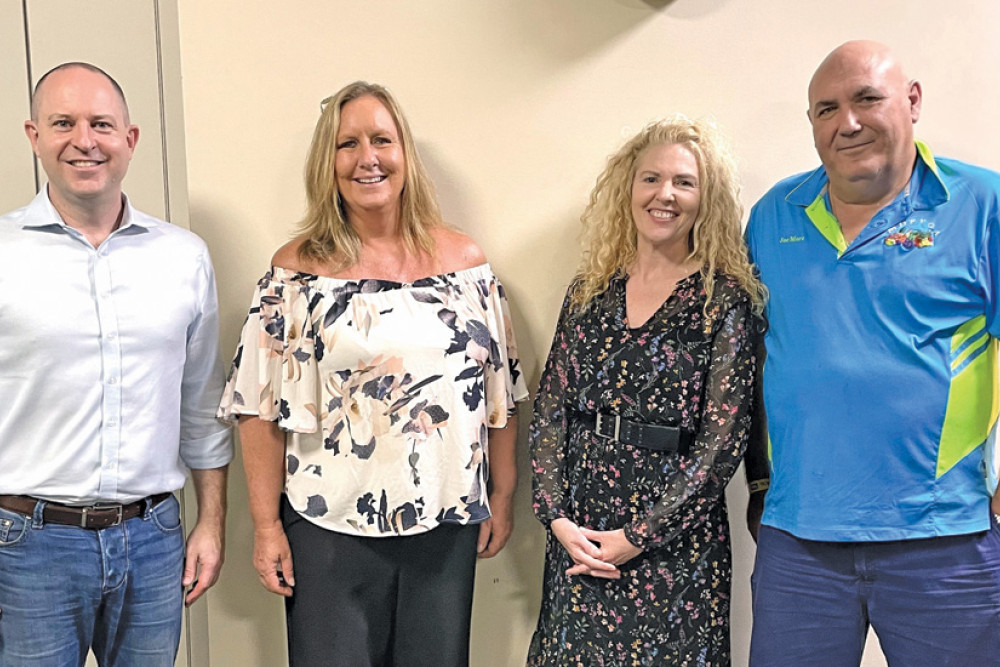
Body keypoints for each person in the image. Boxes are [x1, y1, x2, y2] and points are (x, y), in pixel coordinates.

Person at [218, 80, 527, 667]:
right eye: (347, 144)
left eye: (382, 140)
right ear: (326, 163)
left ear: (404, 153)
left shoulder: (466, 266)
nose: (368, 159)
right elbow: (257, 406)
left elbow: (501, 393)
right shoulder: (296, 271)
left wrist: (503, 494)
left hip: (445, 519)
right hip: (325, 523)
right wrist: (265, 526)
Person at [745, 40, 1000, 666]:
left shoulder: (982, 205)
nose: (848, 122)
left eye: (867, 99)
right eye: (826, 109)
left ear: (912, 102)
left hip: (946, 542)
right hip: (798, 542)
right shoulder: (773, 214)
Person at [0, 62, 232, 666]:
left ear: (129, 140)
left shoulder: (183, 258)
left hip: (153, 540)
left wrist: (211, 522)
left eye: (102, 124)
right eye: (63, 123)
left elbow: (203, 407)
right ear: (33, 136)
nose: (85, 140)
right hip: (28, 546)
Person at [528, 116, 765, 666]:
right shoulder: (590, 292)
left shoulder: (723, 301)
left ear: (707, 200)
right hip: (580, 531)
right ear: (627, 189)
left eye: (685, 182)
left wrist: (639, 534)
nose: (666, 194)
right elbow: (550, 411)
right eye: (651, 178)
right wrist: (556, 518)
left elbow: (723, 441)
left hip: (677, 543)